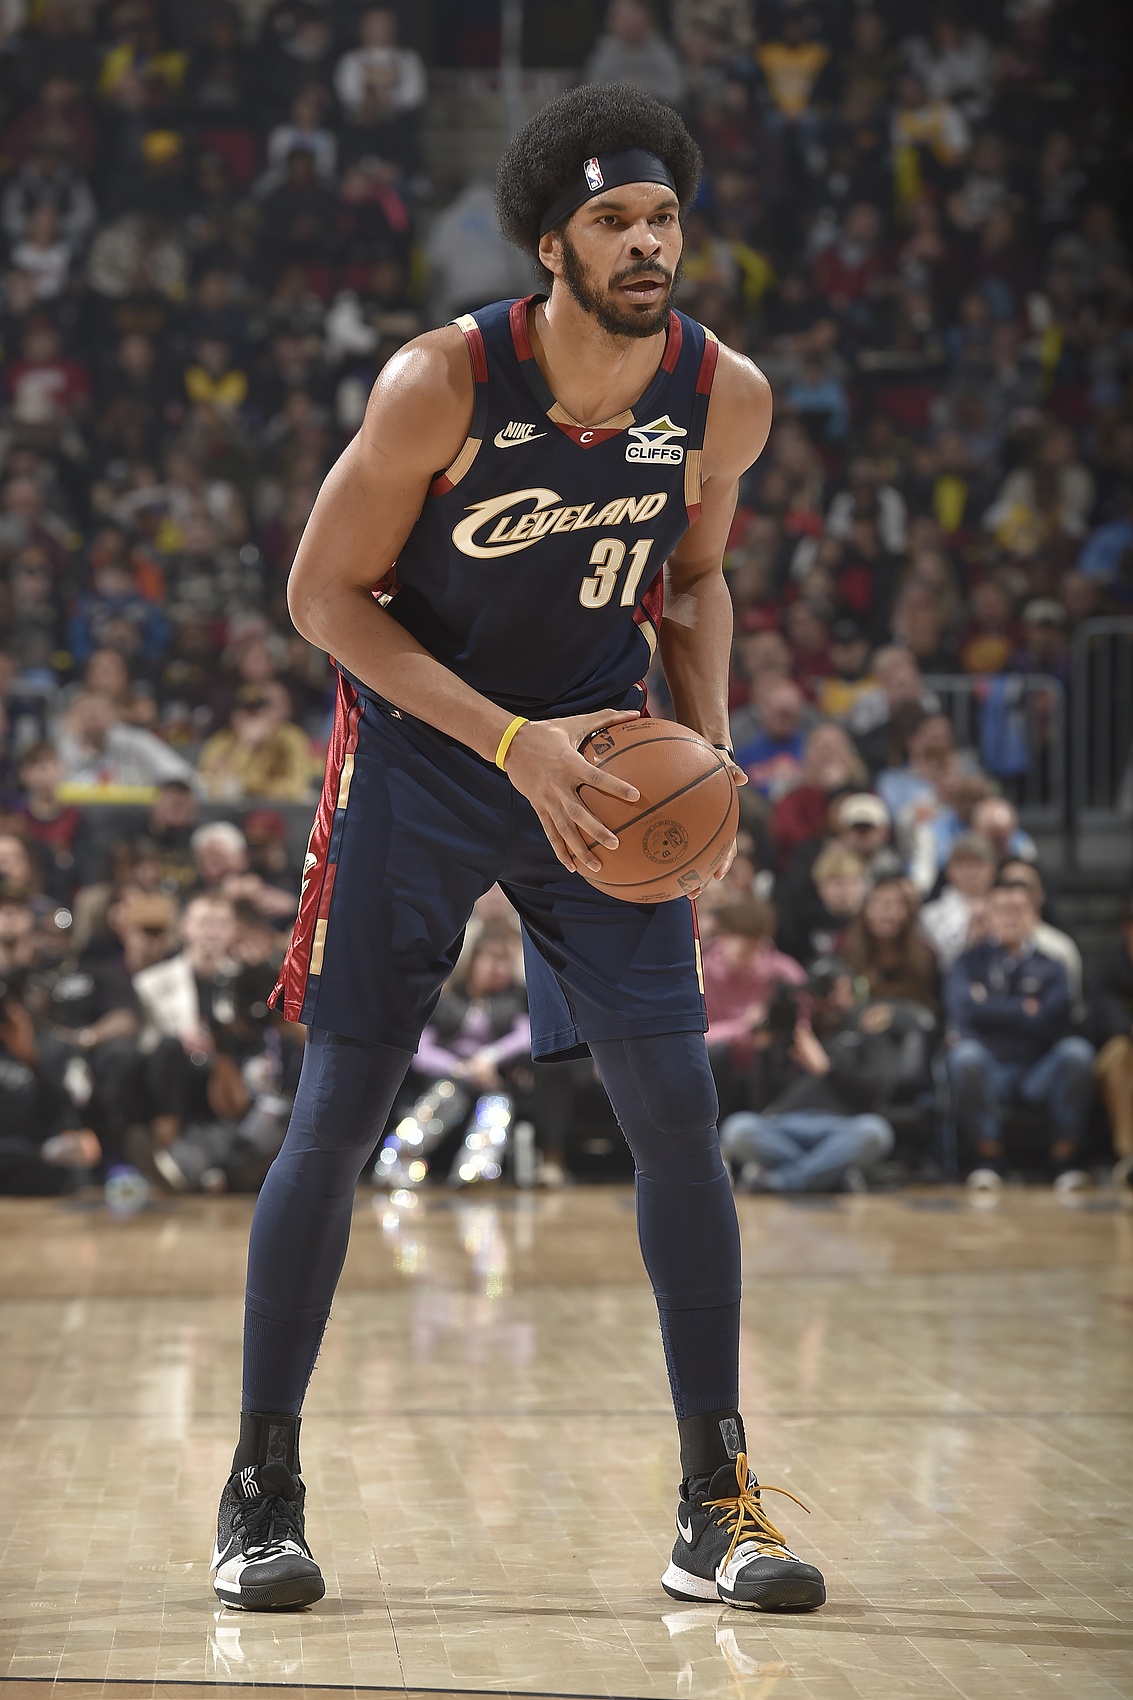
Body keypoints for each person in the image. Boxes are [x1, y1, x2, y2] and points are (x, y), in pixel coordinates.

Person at [209, 84, 825, 1618]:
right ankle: (261, 1491)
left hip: (606, 770)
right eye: (614, 220)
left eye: (662, 217)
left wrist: (712, 751)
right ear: (552, 243)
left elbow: (695, 582)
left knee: (677, 1114)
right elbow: (322, 599)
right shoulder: (442, 382)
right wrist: (506, 743)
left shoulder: (721, 396)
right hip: (426, 763)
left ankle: (714, 1504)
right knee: (338, 1116)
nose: (647, 242)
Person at [945, 882, 1094, 1192]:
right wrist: (1023, 1009)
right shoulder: (968, 962)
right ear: (988, 917)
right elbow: (963, 1012)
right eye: (1001, 911)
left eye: (1018, 911)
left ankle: (1063, 1159)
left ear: (1034, 917)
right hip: (990, 1066)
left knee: (1077, 1052)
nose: (1010, 918)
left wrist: (989, 1006)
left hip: (1039, 1067)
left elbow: (1053, 1020)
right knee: (964, 1057)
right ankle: (988, 1158)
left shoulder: (1052, 965)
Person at [720, 959, 896, 1193]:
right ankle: (831, 1175)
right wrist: (763, 1049)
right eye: (827, 991)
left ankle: (780, 1182)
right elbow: (761, 1101)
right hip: (784, 1125)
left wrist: (828, 1068)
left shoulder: (863, 1033)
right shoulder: (792, 1031)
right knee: (737, 1129)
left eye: (842, 990)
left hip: (841, 1126)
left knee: (876, 1132)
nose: (834, 1000)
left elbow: (876, 1091)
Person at [1085, 895, 1133, 1186]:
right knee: (1119, 1053)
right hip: (1115, 1055)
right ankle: (1129, 1156)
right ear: (1127, 929)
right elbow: (1106, 1018)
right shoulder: (1107, 969)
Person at [842, 877, 940, 1011]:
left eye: (896, 904)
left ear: (908, 912)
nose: (887, 911)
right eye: (878, 903)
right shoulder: (846, 954)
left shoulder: (926, 957)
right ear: (864, 909)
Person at [918, 832, 997, 971]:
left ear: (993, 870)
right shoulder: (930, 914)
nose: (970, 872)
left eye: (978, 864)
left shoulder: (1007, 907)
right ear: (949, 871)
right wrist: (970, 934)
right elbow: (944, 960)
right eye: (962, 864)